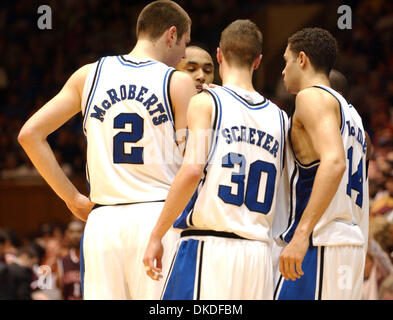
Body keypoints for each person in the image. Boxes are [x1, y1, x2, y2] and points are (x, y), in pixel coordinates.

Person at [18, 0, 196, 300]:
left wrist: (72, 198)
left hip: (103, 222)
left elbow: (29, 134)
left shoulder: (88, 75)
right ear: (171, 34)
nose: (183, 56)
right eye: (185, 45)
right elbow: (192, 163)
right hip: (157, 218)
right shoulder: (178, 82)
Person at [143, 19, 288, 300]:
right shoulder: (281, 118)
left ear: (219, 55)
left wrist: (156, 234)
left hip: (209, 248)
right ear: (258, 61)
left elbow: (192, 170)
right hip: (258, 254)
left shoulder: (207, 102)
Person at [274, 28, 369, 300]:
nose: (283, 71)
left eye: (286, 60)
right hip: (346, 243)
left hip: (321, 242)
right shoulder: (353, 116)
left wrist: (302, 234)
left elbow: (335, 163)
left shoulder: (311, 97)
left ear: (301, 59)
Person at [57, 220, 84, 300]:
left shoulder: (92, 258)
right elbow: (61, 291)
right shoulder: (62, 260)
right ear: (67, 234)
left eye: (79, 232)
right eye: (71, 232)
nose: (75, 235)